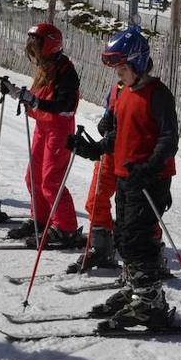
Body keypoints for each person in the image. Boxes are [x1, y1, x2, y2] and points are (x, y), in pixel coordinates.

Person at [68, 25, 178, 330]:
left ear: (139, 62)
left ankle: (150, 303)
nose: (119, 75)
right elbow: (117, 136)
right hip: (128, 176)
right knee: (124, 237)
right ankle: (136, 289)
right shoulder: (125, 92)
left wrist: (150, 167)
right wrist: (91, 149)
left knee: (137, 239)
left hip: (150, 179)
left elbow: (169, 139)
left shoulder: (158, 94)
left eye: (123, 68)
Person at [0, 23, 84, 249]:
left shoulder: (66, 71)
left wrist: (36, 102)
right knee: (33, 178)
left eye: (36, 45)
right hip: (43, 128)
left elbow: (66, 105)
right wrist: (16, 92)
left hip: (59, 130)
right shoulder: (46, 68)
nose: (32, 49)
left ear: (49, 46)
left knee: (51, 181)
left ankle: (66, 229)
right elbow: (38, 98)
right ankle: (40, 219)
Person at [67, 80, 124, 273]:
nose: (119, 70)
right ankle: (101, 248)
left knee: (136, 208)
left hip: (133, 155)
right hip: (109, 150)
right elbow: (108, 115)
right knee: (95, 200)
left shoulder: (148, 92)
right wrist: (106, 120)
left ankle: (151, 251)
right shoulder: (117, 87)